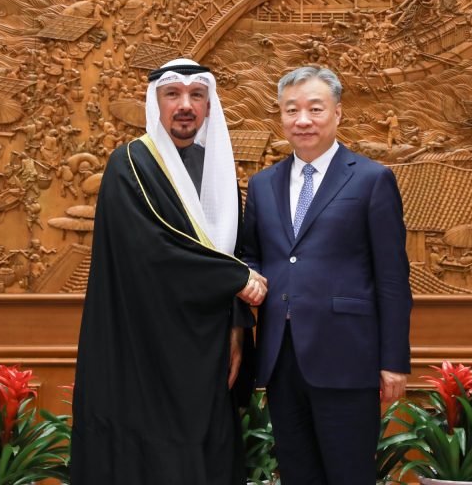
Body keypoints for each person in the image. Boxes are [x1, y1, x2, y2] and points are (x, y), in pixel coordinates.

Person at [71, 58, 267, 485]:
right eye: (173, 94)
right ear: (155, 103)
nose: (185, 105)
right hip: (144, 343)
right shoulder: (130, 164)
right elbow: (151, 249)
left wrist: (237, 329)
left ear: (209, 106)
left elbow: (231, 251)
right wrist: (235, 279)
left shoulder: (217, 173)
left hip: (208, 344)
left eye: (196, 95)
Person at [242, 66, 412, 485]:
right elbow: (253, 255)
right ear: (281, 116)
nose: (303, 120)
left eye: (315, 109)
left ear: (337, 113)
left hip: (347, 357)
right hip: (282, 357)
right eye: (291, 110)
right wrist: (249, 275)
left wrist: (393, 361)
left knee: (349, 473)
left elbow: (392, 277)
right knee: (297, 473)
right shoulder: (262, 184)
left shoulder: (372, 179)